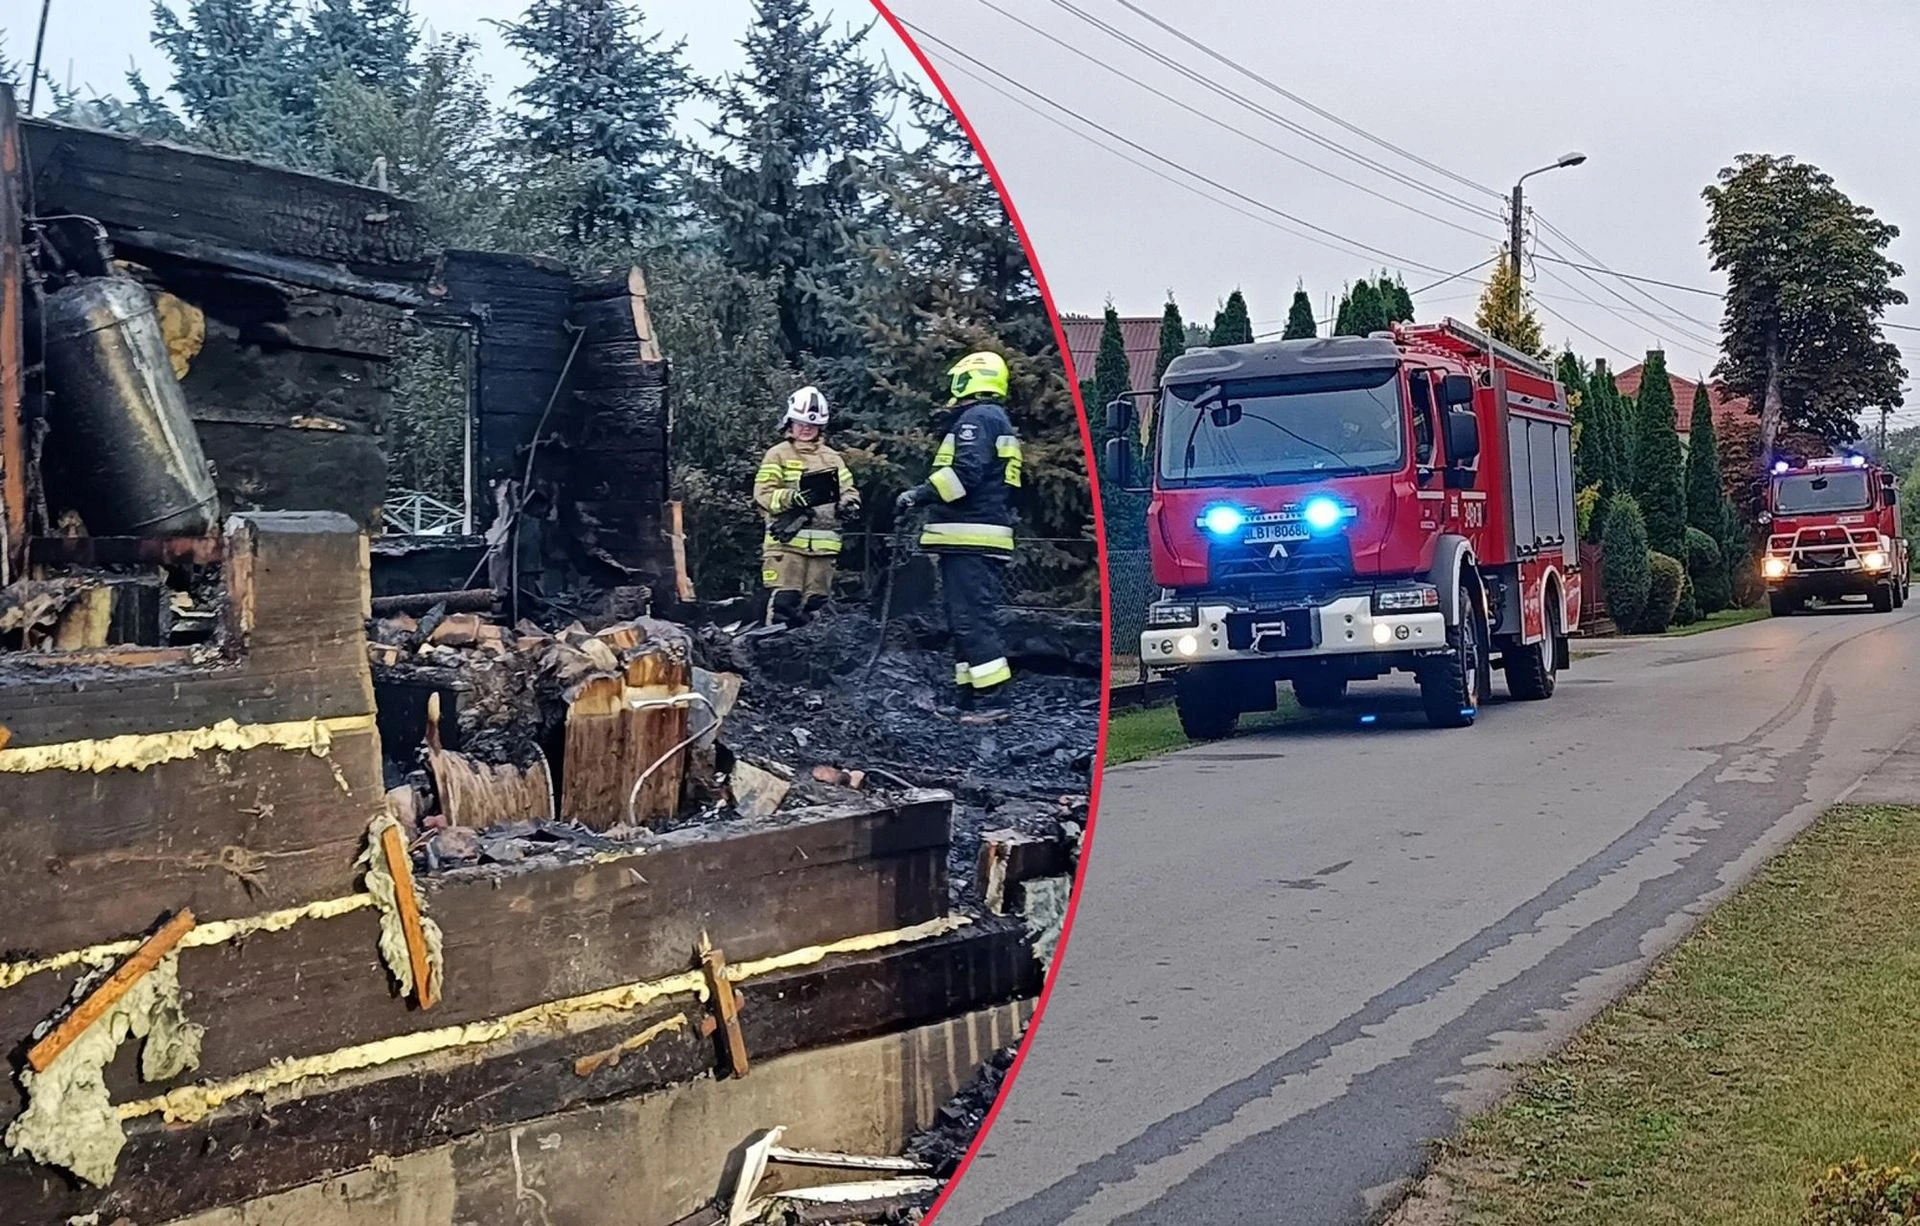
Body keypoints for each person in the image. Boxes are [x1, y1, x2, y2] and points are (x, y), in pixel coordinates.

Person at [895, 351, 1022, 714]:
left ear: (969, 379)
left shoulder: (977, 419)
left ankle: (993, 699)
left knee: (972, 620)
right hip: (971, 540)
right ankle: (968, 695)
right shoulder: (993, 418)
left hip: (972, 539)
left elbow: (965, 475)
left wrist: (918, 495)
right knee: (961, 618)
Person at [754, 386, 860, 626]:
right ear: (790, 423)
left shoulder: (832, 458)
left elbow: (848, 490)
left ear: (820, 427)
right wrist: (793, 498)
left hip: (824, 549)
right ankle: (775, 648)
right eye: (801, 423)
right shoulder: (778, 455)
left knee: (815, 608)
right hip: (787, 545)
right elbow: (763, 494)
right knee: (784, 604)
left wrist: (849, 504)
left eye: (812, 425)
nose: (806, 429)